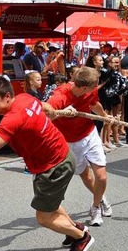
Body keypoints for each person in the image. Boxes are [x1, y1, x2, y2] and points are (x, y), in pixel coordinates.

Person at [0, 75, 95, 251]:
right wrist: (52, 113)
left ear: (7, 97)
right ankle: (73, 229)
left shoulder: (12, 118)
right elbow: (45, 107)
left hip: (54, 165)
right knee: (51, 204)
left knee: (43, 217)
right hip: (57, 159)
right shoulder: (24, 98)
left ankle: (82, 237)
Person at [44, 66, 113, 227]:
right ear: (83, 87)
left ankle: (95, 207)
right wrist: (60, 112)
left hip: (89, 134)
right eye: (93, 87)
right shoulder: (59, 97)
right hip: (69, 141)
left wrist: (104, 117)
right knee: (86, 176)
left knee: (101, 175)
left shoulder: (90, 91)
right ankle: (101, 198)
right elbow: (44, 116)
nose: (95, 89)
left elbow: (94, 104)